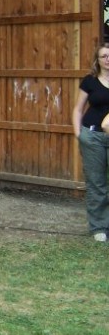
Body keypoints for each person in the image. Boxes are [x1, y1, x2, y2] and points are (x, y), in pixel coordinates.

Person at [72, 42, 109, 242]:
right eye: (104, 56)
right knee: (97, 183)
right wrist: (79, 134)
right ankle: (99, 227)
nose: (108, 59)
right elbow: (78, 109)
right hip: (93, 136)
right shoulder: (90, 81)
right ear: (98, 60)